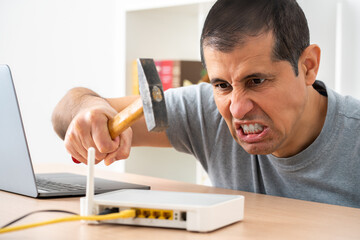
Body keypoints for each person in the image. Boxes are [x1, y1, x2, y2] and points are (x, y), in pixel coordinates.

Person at [52, 0, 360, 208]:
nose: (236, 109)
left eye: (256, 81)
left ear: (308, 66)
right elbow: (64, 112)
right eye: (222, 85)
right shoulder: (205, 110)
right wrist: (87, 111)